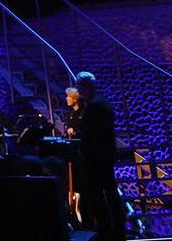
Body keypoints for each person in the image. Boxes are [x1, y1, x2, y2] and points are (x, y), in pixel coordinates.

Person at [75, 72, 126, 241]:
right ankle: (117, 229)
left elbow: (90, 133)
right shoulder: (100, 102)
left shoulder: (94, 106)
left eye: (79, 85)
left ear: (85, 86)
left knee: (96, 193)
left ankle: (105, 229)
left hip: (96, 156)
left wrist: (82, 148)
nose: (77, 89)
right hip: (104, 154)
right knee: (110, 192)